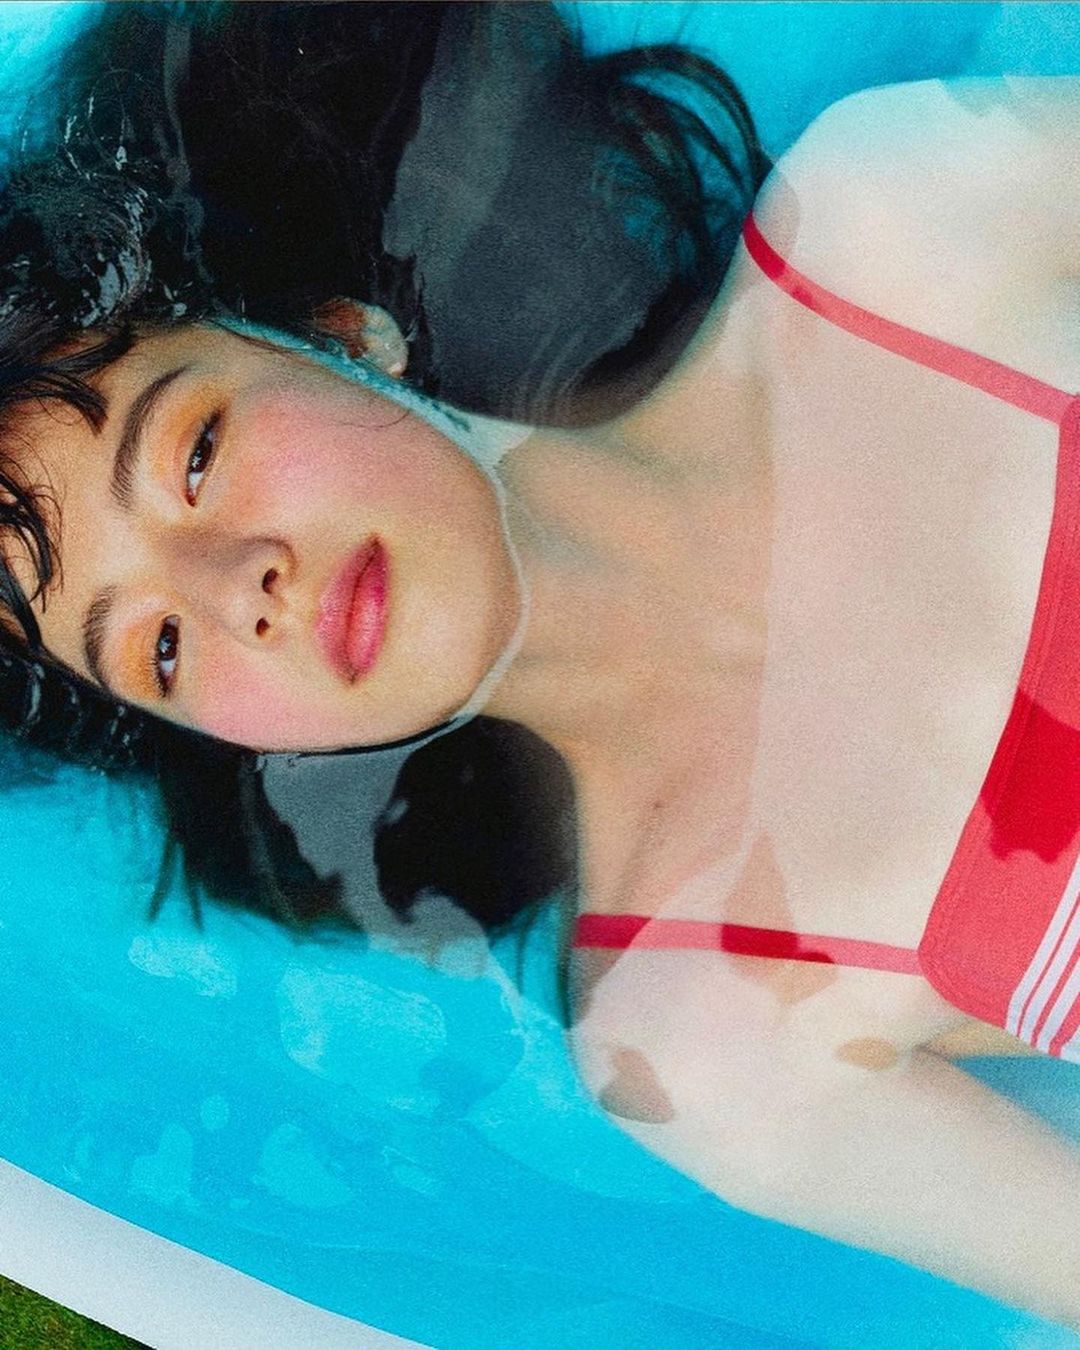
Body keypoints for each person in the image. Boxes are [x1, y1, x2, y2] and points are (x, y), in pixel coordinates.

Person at [0, 0, 1078, 1330]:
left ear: (338, 336)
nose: (238, 586)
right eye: (160, 646)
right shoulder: (705, 1028)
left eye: (195, 454)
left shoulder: (907, 226)